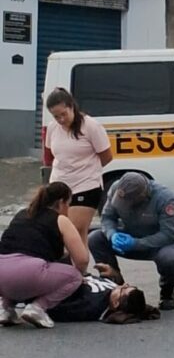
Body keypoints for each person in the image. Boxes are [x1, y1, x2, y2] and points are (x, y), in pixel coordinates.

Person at [88, 172, 174, 310]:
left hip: (160, 243)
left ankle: (167, 291)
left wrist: (136, 243)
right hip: (131, 235)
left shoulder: (165, 198)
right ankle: (115, 286)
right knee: (95, 238)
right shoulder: (116, 188)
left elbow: (168, 234)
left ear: (142, 196)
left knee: (169, 258)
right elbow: (107, 218)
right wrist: (112, 234)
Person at [0, 181, 89, 328]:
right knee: (74, 277)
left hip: (1, 274)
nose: (68, 208)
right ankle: (38, 308)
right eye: (69, 203)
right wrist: (82, 277)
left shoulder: (22, 214)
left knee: (14, 269)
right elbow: (82, 259)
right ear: (61, 202)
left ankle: (6, 308)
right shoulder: (60, 219)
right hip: (28, 274)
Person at [44, 88, 113, 253]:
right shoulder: (53, 128)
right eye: (56, 116)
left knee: (74, 231)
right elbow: (49, 156)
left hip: (85, 185)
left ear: (72, 107)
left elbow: (107, 155)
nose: (61, 119)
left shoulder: (90, 126)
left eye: (64, 114)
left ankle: (78, 271)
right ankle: (68, 272)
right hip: (59, 186)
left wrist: (87, 169)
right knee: (57, 231)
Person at [49, 265, 160, 324]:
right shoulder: (113, 293)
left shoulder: (92, 305)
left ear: (116, 303)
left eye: (124, 288)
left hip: (56, 281)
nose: (124, 284)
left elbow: (58, 310)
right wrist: (113, 276)